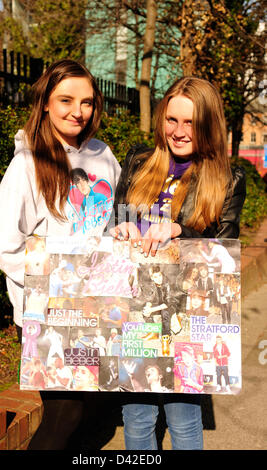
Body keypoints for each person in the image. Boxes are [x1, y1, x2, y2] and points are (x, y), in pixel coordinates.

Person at [0, 58, 121, 450]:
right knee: (65, 414)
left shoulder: (103, 155)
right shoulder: (28, 163)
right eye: (65, 100)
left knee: (93, 412)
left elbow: (109, 224)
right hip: (48, 310)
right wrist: (51, 284)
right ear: (45, 102)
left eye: (87, 102)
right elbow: (2, 244)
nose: (77, 112)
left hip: (96, 306)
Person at [109, 76, 246, 450]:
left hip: (186, 313)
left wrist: (179, 230)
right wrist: (120, 230)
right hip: (135, 308)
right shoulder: (139, 160)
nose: (179, 131)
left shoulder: (228, 179)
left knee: (183, 417)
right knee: (136, 416)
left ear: (208, 125)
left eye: (190, 122)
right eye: (172, 120)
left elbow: (223, 250)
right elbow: (116, 221)